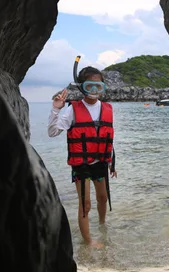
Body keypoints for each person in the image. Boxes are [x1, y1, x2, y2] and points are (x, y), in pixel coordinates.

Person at [48, 66, 117, 248]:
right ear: (82, 87)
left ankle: (102, 225)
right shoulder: (73, 109)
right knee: (85, 203)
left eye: (98, 86)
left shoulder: (108, 108)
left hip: (100, 162)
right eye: (89, 86)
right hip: (82, 165)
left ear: (103, 87)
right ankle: (88, 241)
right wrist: (56, 109)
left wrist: (112, 164)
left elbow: (106, 135)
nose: (94, 91)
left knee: (103, 198)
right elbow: (53, 132)